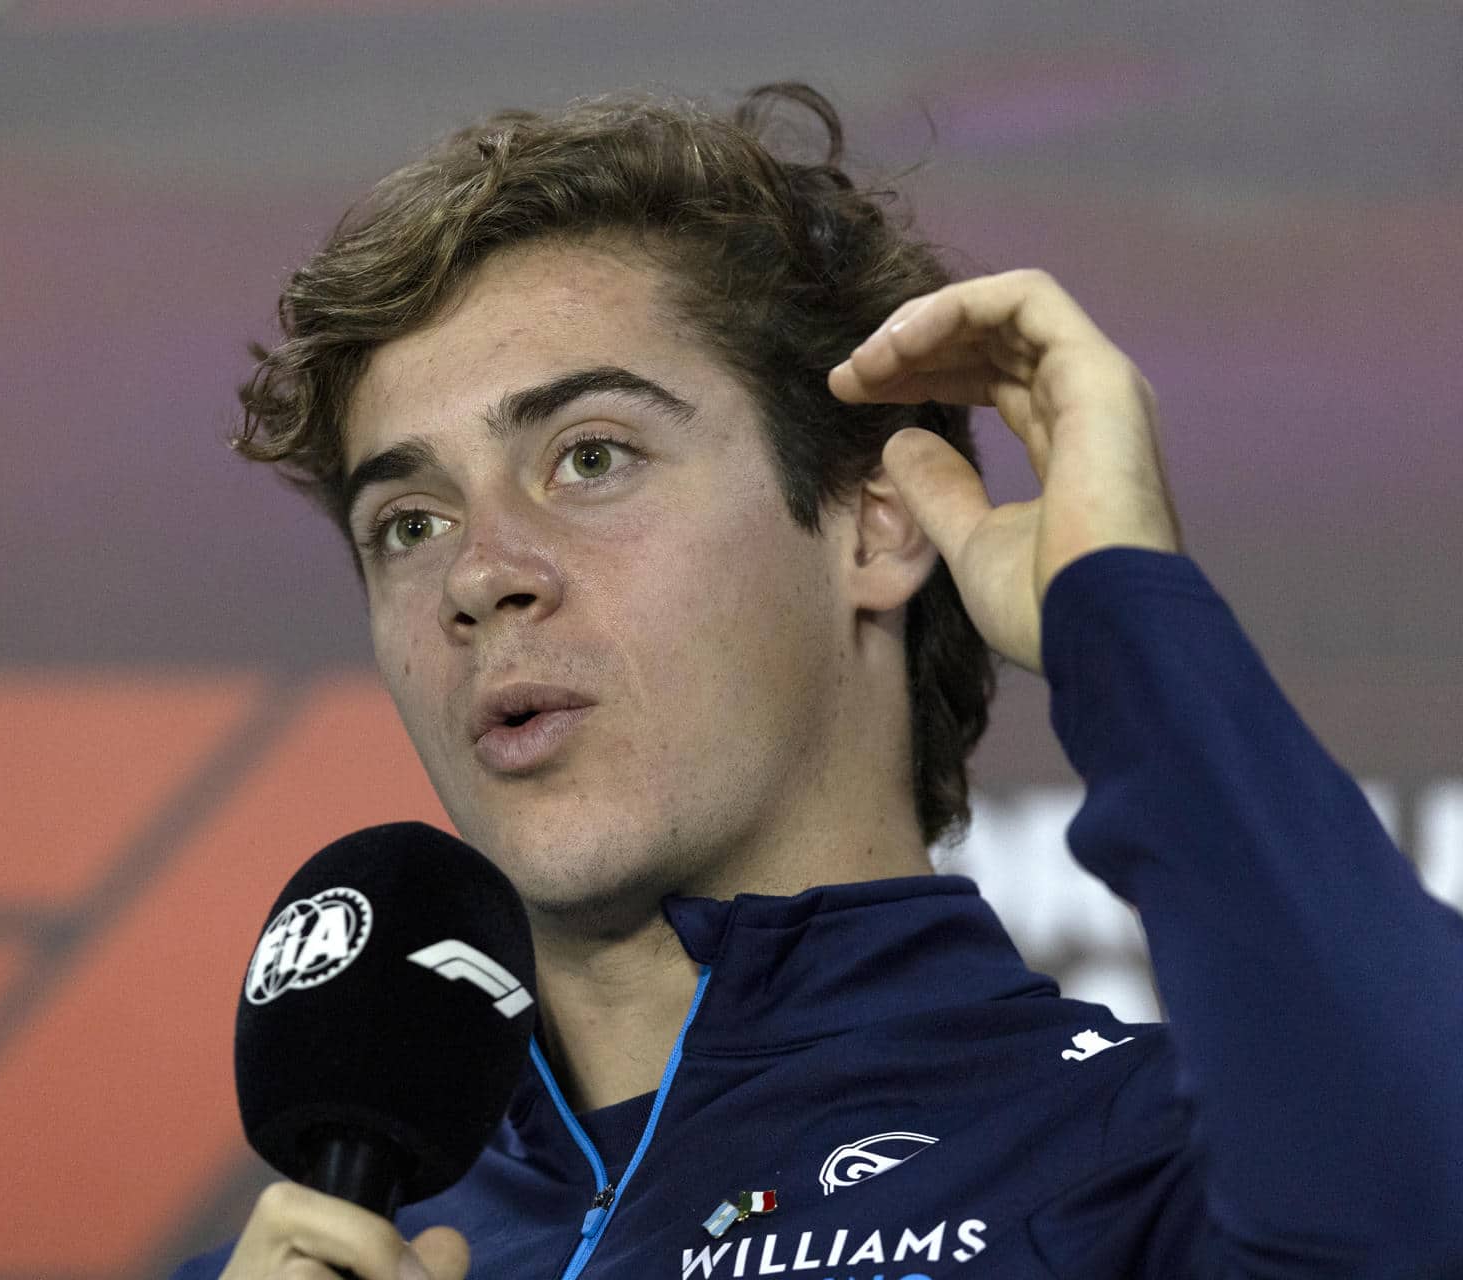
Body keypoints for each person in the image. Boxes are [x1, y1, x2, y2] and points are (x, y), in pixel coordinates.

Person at [173, 83, 1463, 1280]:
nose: (478, 575)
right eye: (408, 522)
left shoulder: (1137, 1172)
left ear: (877, 522)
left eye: (591, 458)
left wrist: (1119, 610)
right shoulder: (318, 1255)